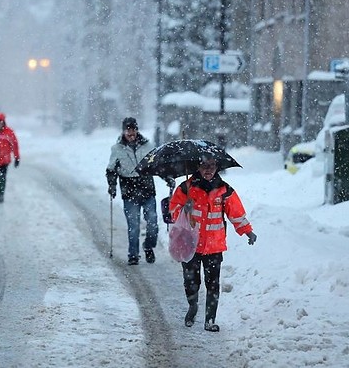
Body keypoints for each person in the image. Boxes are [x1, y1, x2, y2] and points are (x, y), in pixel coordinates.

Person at [169, 155, 256, 332]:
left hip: (214, 246)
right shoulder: (187, 188)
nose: (208, 170)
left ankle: (210, 319)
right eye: (204, 166)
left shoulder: (225, 190)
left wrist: (247, 231)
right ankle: (192, 306)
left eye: (212, 166)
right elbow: (173, 210)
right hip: (190, 244)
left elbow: (236, 214)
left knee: (213, 283)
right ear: (198, 167)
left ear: (217, 167)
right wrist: (183, 208)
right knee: (191, 281)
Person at [106, 117, 172, 265]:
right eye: (128, 129)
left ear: (137, 130)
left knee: (153, 222)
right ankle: (133, 254)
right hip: (129, 191)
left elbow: (157, 165)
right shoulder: (117, 149)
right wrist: (112, 185)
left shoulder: (148, 146)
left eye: (133, 129)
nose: (131, 133)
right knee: (134, 225)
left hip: (147, 189)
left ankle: (148, 246)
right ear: (123, 131)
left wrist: (167, 177)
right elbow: (111, 170)